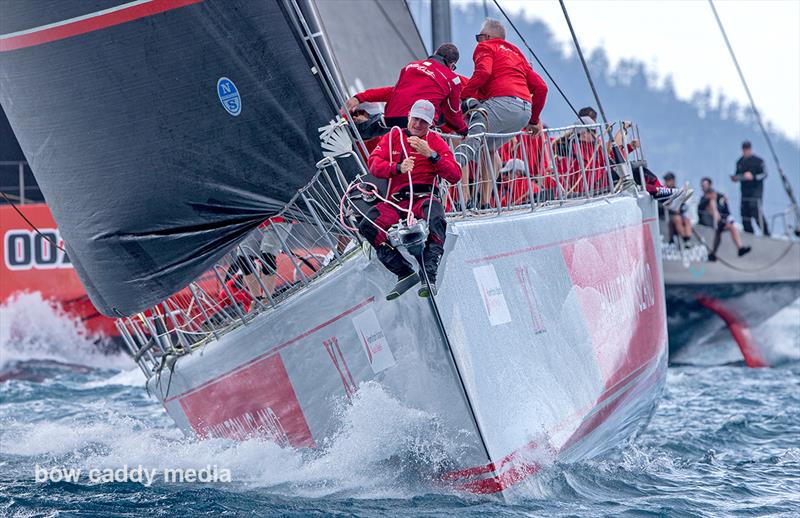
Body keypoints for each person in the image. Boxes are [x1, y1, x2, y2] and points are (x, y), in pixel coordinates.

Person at [358, 100, 461, 299]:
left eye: (423, 121)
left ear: (430, 124)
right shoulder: (393, 136)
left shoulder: (436, 141)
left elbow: (455, 175)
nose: (417, 124)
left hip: (424, 198)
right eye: (415, 119)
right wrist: (397, 168)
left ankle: (428, 276)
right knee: (368, 224)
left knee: (436, 219)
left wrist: (431, 155)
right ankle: (404, 273)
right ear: (408, 117)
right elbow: (374, 164)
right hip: (397, 202)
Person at [345, 43, 468, 138]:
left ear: (435, 53)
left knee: (361, 130)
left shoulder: (411, 66)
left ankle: (346, 132)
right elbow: (453, 112)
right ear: (452, 64)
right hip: (418, 123)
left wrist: (359, 97)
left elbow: (392, 93)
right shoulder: (453, 79)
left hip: (392, 119)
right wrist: (463, 130)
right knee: (442, 113)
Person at [698, 177, 751, 261]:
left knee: (730, 228)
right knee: (719, 228)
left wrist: (727, 216)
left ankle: (739, 248)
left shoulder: (719, 196)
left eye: (705, 185)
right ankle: (713, 253)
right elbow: (700, 210)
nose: (703, 188)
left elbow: (726, 210)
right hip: (708, 220)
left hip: (719, 222)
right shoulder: (704, 199)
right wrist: (709, 199)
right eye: (702, 186)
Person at [731, 140, 769, 235]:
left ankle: (766, 233)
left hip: (756, 191)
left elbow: (764, 174)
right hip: (745, 192)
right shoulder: (739, 162)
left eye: (747, 149)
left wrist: (753, 176)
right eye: (744, 149)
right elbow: (737, 175)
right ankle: (749, 234)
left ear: (750, 149)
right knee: (744, 213)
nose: (745, 151)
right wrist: (737, 178)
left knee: (755, 210)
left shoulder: (758, 161)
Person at [663, 172, 692, 244]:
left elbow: (683, 205)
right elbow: (659, 204)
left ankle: (687, 239)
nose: (667, 182)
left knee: (687, 220)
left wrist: (679, 208)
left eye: (668, 180)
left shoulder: (678, 191)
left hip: (678, 214)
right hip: (668, 216)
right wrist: (668, 207)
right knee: (677, 219)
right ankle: (684, 238)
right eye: (666, 180)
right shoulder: (663, 192)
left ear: (673, 181)